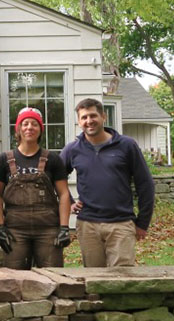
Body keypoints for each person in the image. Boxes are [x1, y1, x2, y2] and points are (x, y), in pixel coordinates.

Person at [61, 98, 155, 267]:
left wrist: (142, 222)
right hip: (88, 225)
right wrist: (69, 202)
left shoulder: (126, 145)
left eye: (93, 115)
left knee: (122, 279)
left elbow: (145, 184)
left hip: (121, 224)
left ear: (103, 116)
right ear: (79, 122)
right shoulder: (73, 150)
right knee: (93, 279)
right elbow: (55, 179)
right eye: (84, 117)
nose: (89, 121)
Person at [0, 107, 71, 269]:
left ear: (40, 130)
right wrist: (0, 227)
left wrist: (64, 228)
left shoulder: (53, 159)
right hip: (15, 230)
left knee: (54, 276)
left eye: (34, 124)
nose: (29, 127)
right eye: (25, 124)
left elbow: (64, 194)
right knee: (14, 279)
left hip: (48, 230)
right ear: (19, 129)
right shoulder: (5, 160)